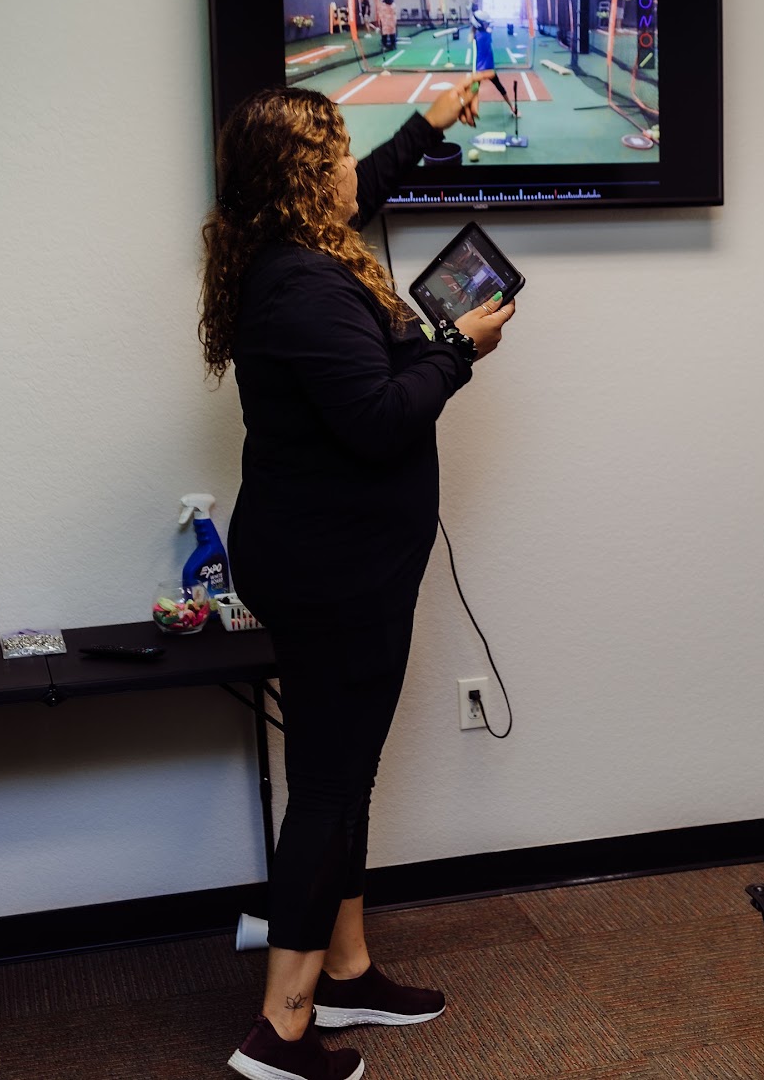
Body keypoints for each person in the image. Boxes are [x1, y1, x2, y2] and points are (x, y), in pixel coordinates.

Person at [199, 77, 515, 1080]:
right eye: (335, 153)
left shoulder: (288, 250)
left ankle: (345, 970)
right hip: (336, 573)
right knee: (331, 787)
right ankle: (280, 1030)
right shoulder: (305, 284)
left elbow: (366, 188)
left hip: (331, 559)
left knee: (341, 776)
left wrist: (425, 127)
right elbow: (379, 419)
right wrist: (459, 350)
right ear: (303, 181)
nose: (350, 166)